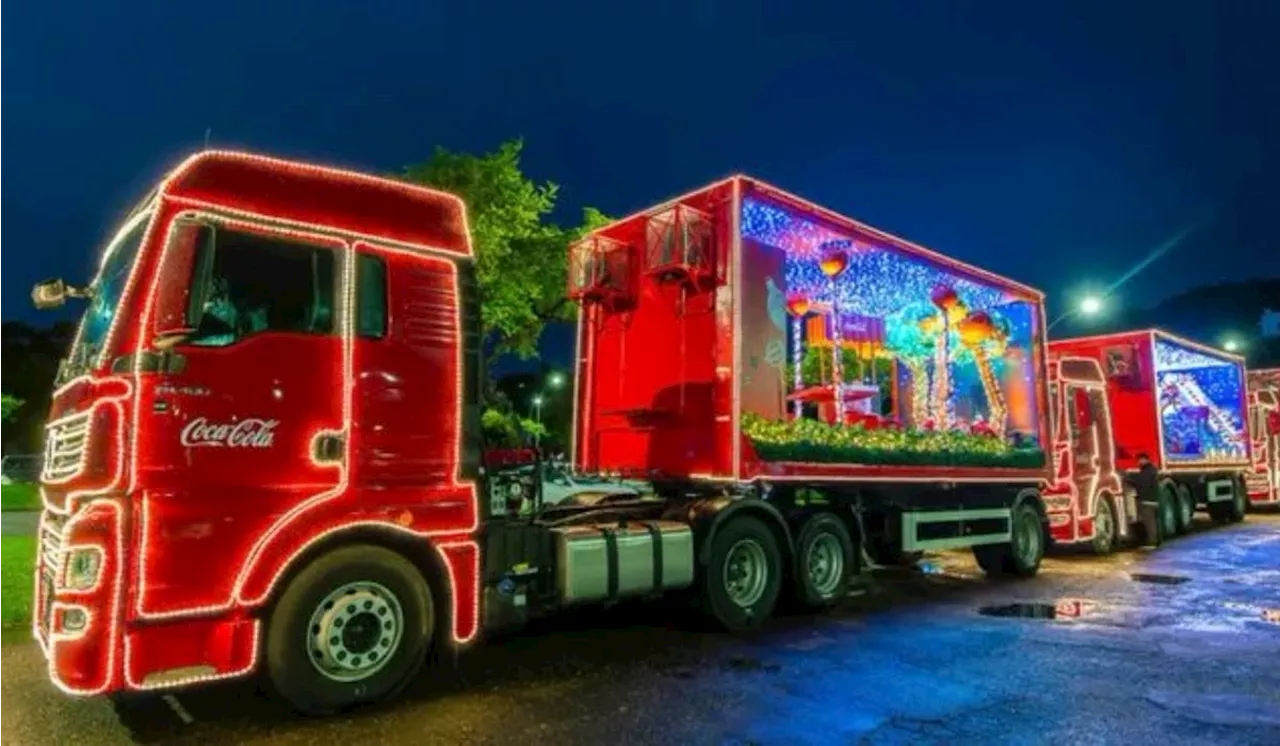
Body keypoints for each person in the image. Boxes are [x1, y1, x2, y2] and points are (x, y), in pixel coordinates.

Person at [1125, 452, 1161, 547]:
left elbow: (1142, 484)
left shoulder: (1146, 471)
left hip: (1147, 500)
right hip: (1153, 499)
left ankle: (1151, 542)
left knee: (1149, 523)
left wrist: (1129, 481)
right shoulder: (1152, 470)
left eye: (1139, 460)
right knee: (1153, 522)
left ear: (1144, 459)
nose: (1138, 463)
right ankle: (1155, 541)